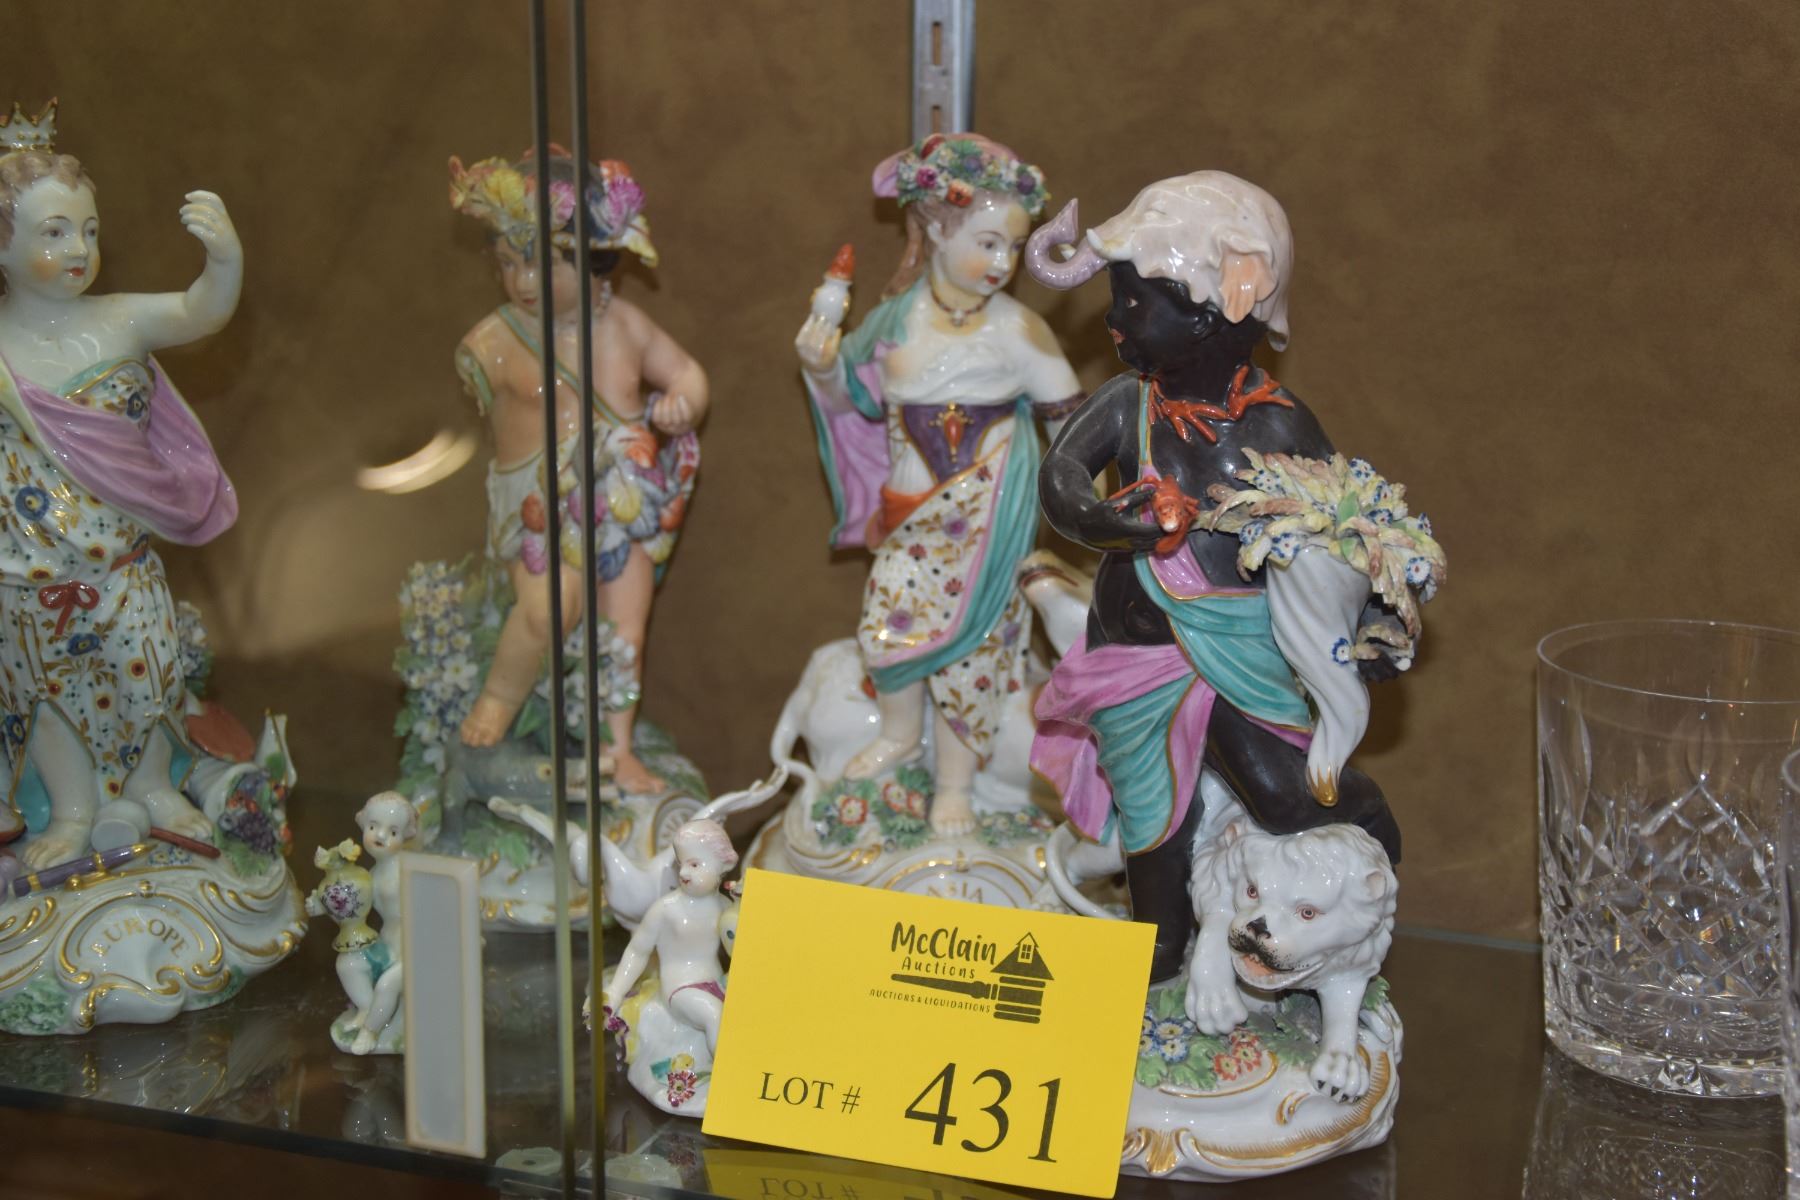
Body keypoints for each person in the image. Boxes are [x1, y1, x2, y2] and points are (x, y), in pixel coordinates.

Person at [1025, 172, 1406, 980]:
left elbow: (1345, 527)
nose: (1114, 321)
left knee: (1282, 793)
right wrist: (1107, 519)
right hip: (1135, 656)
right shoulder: (1126, 404)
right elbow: (1060, 479)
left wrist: (1376, 609)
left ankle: (1365, 828)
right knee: (1151, 812)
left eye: (1133, 303)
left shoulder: (1280, 423)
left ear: (1211, 309)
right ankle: (1159, 941)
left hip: (1242, 652)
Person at [795, 133, 1081, 837]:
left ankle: (956, 783)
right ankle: (899, 735)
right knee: (887, 624)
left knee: (973, 650)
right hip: (911, 516)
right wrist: (821, 365)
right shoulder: (894, 321)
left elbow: (1074, 430)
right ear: (934, 227)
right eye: (987, 242)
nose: (1003, 262)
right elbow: (847, 401)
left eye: (1013, 246)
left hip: (988, 522)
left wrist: (1097, 500)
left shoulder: (1021, 331)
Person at [0, 100, 234, 867]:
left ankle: (155, 788)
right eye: (53, 233)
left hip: (122, 561)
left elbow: (199, 313)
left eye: (90, 231)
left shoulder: (120, 321)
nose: (78, 249)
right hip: (27, 574)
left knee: (147, 674)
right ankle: (71, 812)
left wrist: (223, 261)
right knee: (47, 693)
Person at [449, 150, 705, 796]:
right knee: (549, 609)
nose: (522, 281)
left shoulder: (625, 327)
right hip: (545, 503)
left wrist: (682, 402)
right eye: (508, 263)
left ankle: (618, 748)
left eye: (541, 262)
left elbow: (687, 373)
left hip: (622, 496)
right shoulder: (495, 342)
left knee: (624, 627)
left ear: (592, 259)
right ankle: (499, 698)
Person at [602, 817, 737, 1053]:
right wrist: (615, 991)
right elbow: (637, 951)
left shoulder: (725, 907)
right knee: (714, 1016)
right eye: (680, 863)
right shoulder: (666, 909)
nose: (683, 872)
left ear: (723, 865)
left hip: (717, 982)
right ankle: (728, 1073)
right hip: (681, 988)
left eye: (694, 864)